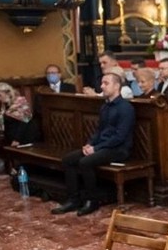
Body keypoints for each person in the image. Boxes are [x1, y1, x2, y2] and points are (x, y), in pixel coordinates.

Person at [51, 73, 135, 216]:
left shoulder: (125, 108)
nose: (102, 86)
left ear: (117, 86)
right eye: (102, 83)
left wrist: (96, 148)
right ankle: (73, 199)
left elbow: (120, 137)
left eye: (106, 83)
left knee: (85, 162)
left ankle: (92, 200)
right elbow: (99, 131)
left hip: (119, 149)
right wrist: (89, 144)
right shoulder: (105, 107)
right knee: (68, 159)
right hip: (102, 146)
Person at [0, 82, 39, 147]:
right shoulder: (5, 104)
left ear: (8, 94)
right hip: (10, 137)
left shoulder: (20, 103)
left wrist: (16, 140)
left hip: (23, 138)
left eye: (0, 95)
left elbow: (24, 123)